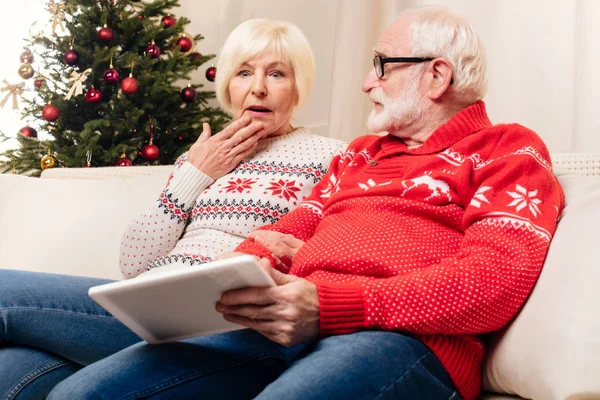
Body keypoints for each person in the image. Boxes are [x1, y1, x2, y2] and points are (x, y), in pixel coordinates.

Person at [12, 7, 564, 400]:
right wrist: (248, 270)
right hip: (276, 324)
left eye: (382, 65)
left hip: (397, 338)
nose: (367, 83)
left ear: (436, 75)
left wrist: (330, 306)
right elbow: (288, 231)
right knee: (83, 393)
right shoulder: (361, 156)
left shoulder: (507, 149)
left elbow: (493, 281)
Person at [0, 19, 345, 399]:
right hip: (148, 303)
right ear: (229, 85)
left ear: (298, 88)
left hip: (221, 317)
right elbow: (134, 260)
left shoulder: (332, 156)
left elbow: (328, 257)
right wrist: (195, 173)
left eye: (276, 73)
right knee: (12, 368)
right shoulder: (200, 156)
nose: (258, 87)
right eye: (244, 73)